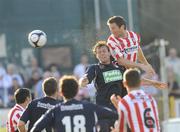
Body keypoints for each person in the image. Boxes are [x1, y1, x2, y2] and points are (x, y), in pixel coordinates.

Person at [30, 75, 118, 132]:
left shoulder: (54, 111)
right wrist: (117, 106)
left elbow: (35, 129)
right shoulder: (89, 107)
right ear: (77, 91)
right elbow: (117, 115)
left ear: (60, 92)